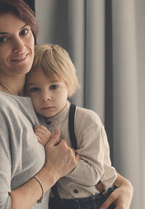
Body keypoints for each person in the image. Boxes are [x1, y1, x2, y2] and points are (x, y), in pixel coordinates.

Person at [0, 0, 133, 209]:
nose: (20, 47)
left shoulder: (32, 97)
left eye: (24, 32)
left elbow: (70, 156)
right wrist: (52, 172)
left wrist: (125, 186)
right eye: (2, 39)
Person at [25, 44, 121, 209]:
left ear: (68, 87)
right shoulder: (33, 121)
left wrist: (54, 148)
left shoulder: (87, 120)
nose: (45, 97)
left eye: (54, 87)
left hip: (96, 200)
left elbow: (92, 175)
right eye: (35, 89)